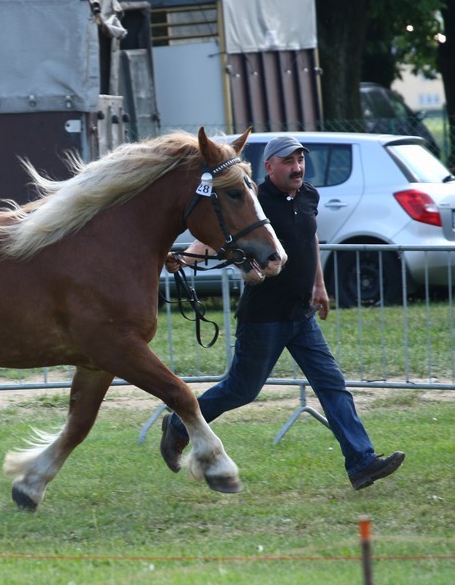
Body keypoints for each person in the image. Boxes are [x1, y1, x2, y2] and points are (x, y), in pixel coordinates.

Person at [161, 135, 404, 490]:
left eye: (300, 160)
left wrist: (319, 285)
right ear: (269, 166)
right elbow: (215, 238)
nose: (297, 167)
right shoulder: (255, 198)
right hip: (265, 317)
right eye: (289, 161)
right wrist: (184, 259)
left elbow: (310, 239)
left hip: (302, 315)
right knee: (242, 390)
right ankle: (178, 424)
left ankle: (362, 463)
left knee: (332, 385)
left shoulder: (308, 195)